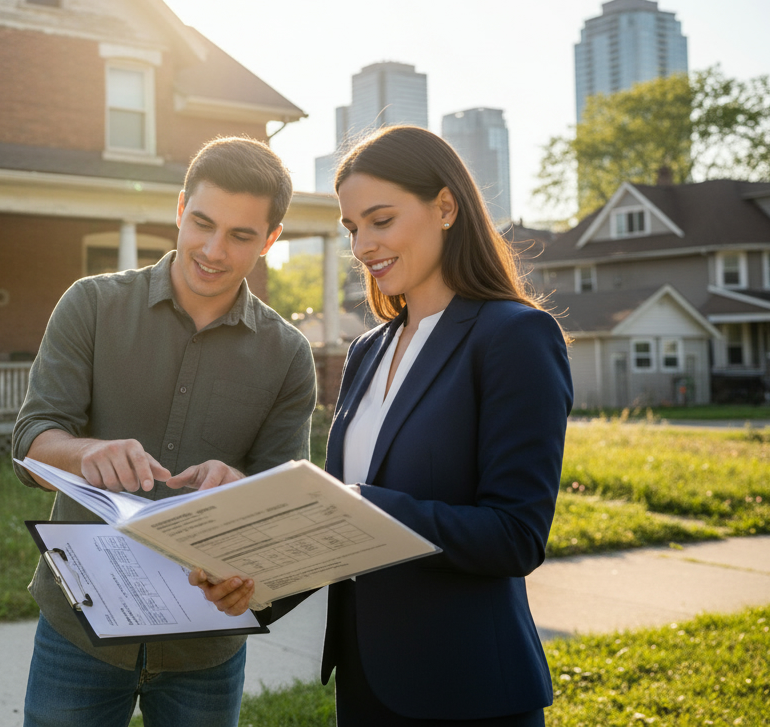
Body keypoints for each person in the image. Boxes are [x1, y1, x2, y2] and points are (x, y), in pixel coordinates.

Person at [196, 125, 572, 725]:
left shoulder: (513, 337)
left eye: (381, 220)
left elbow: (515, 535)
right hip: (367, 684)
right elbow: (331, 521)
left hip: (468, 690)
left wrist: (363, 505)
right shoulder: (368, 350)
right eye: (351, 228)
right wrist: (255, 582)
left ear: (445, 207)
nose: (363, 245)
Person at [11, 136, 319, 727]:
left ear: (271, 239)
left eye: (240, 235)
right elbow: (30, 446)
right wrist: (86, 453)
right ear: (180, 209)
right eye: (201, 223)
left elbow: (282, 503)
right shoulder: (91, 305)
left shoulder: (287, 354)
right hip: (80, 625)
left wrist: (241, 489)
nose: (212, 249)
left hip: (205, 643)